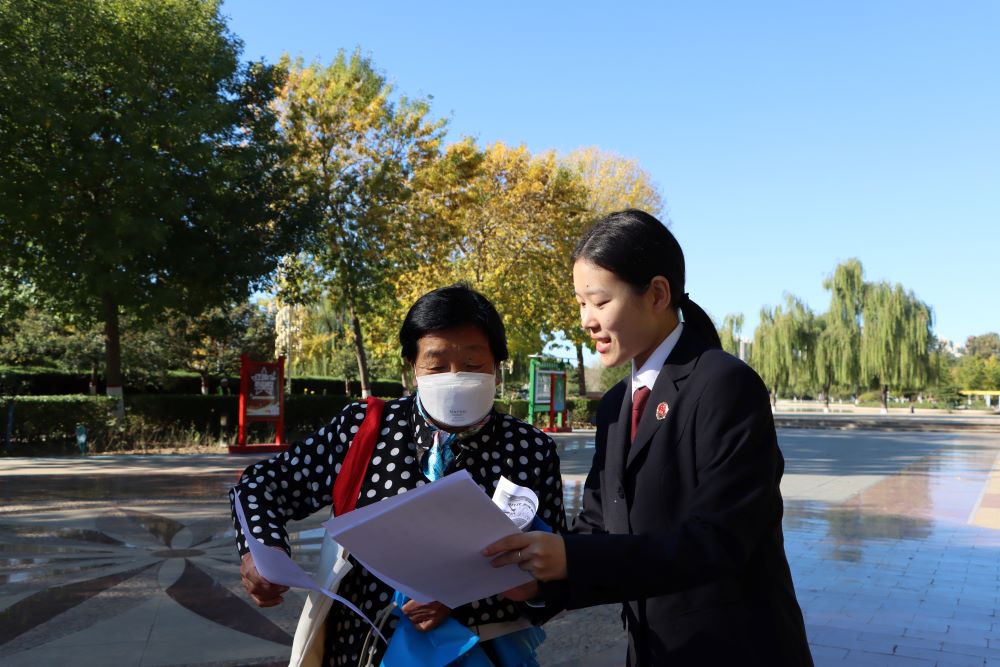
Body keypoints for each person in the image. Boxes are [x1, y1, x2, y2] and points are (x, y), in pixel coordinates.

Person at [484, 210, 813, 666]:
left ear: (657, 293)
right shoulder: (617, 403)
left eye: (599, 302)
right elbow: (598, 525)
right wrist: (540, 582)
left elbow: (717, 541)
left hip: (736, 650)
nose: (585, 319)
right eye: (580, 303)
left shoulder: (724, 384)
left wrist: (570, 560)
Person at [231, 284, 566, 667]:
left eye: (473, 365)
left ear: (497, 366)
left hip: (482, 654)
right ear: (412, 366)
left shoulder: (529, 449)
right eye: (437, 366)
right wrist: (263, 552)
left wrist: (464, 594)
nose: (455, 378)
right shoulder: (364, 429)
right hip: (362, 650)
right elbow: (259, 486)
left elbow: (557, 575)